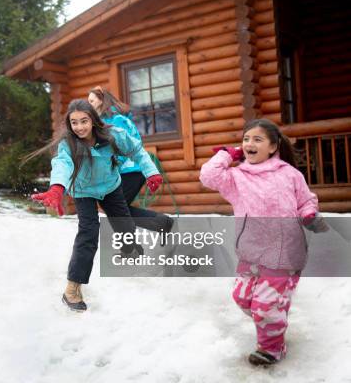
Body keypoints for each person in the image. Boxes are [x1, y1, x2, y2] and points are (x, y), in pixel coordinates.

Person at [199, 118, 328, 367]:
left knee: (265, 307)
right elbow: (208, 175)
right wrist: (228, 154)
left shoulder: (290, 174)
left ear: (273, 146)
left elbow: (306, 199)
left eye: (257, 139)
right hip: (251, 252)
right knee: (242, 298)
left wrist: (309, 213)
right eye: (246, 139)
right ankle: (273, 315)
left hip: (284, 252)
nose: (249, 143)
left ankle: (271, 349)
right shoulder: (236, 177)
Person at [28, 99, 162, 312]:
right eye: (74, 123)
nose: (79, 127)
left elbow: (136, 150)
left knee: (125, 226)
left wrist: (151, 171)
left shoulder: (112, 135)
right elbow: (61, 165)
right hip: (83, 192)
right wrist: (56, 188)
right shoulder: (68, 145)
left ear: (93, 120)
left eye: (84, 121)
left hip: (110, 186)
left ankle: (131, 256)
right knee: (88, 234)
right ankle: (72, 289)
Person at [87, 86, 173, 233]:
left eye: (91, 101)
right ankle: (162, 223)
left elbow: (125, 144)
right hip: (123, 171)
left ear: (101, 101)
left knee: (116, 210)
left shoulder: (116, 120)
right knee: (116, 209)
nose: (89, 105)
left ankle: (161, 225)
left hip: (131, 169)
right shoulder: (103, 121)